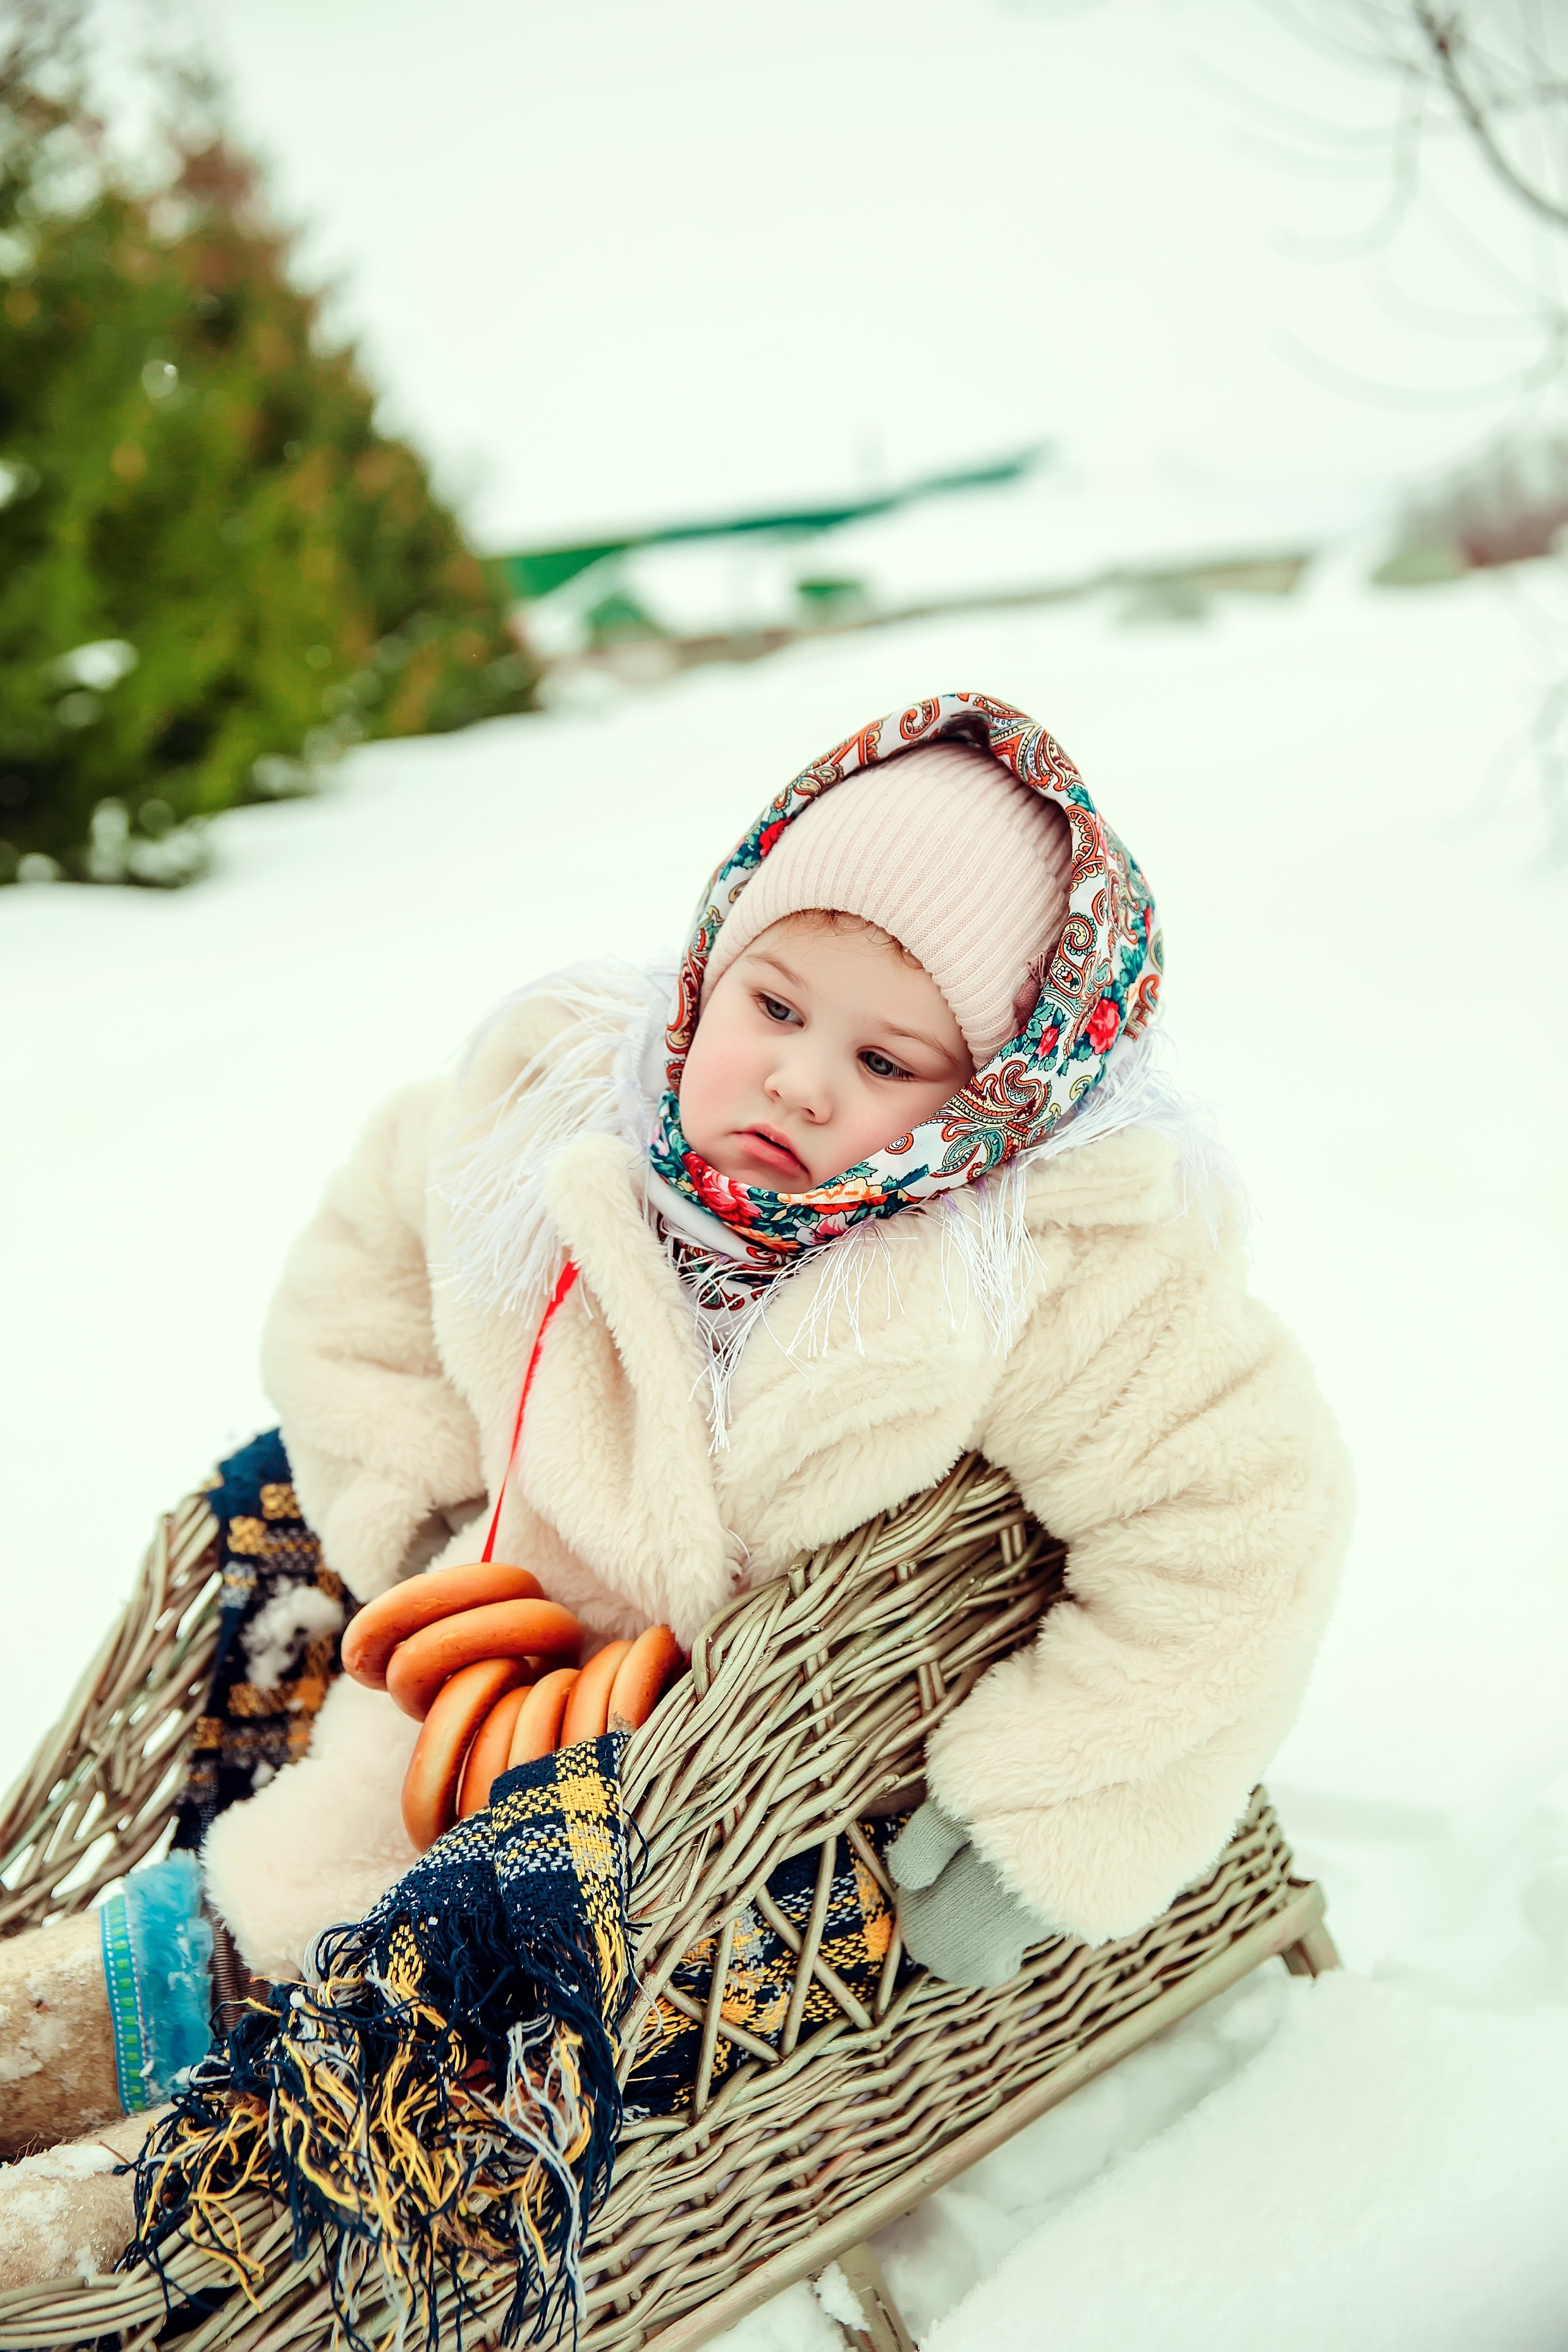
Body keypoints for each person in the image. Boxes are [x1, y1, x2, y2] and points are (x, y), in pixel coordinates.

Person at [0, 692, 1350, 2264]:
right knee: (284, 1887)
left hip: (724, 1813)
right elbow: (364, 1270)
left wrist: (1040, 1812)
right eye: (772, 1006)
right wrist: (414, 1523)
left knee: (434, 2013)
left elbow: (1239, 1517)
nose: (796, 1082)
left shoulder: (1049, 1269)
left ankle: (188, 2196)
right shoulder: (545, 1113)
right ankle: (120, 2009)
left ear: (998, 1097)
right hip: (470, 1685)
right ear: (714, 961)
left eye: (885, 1058)